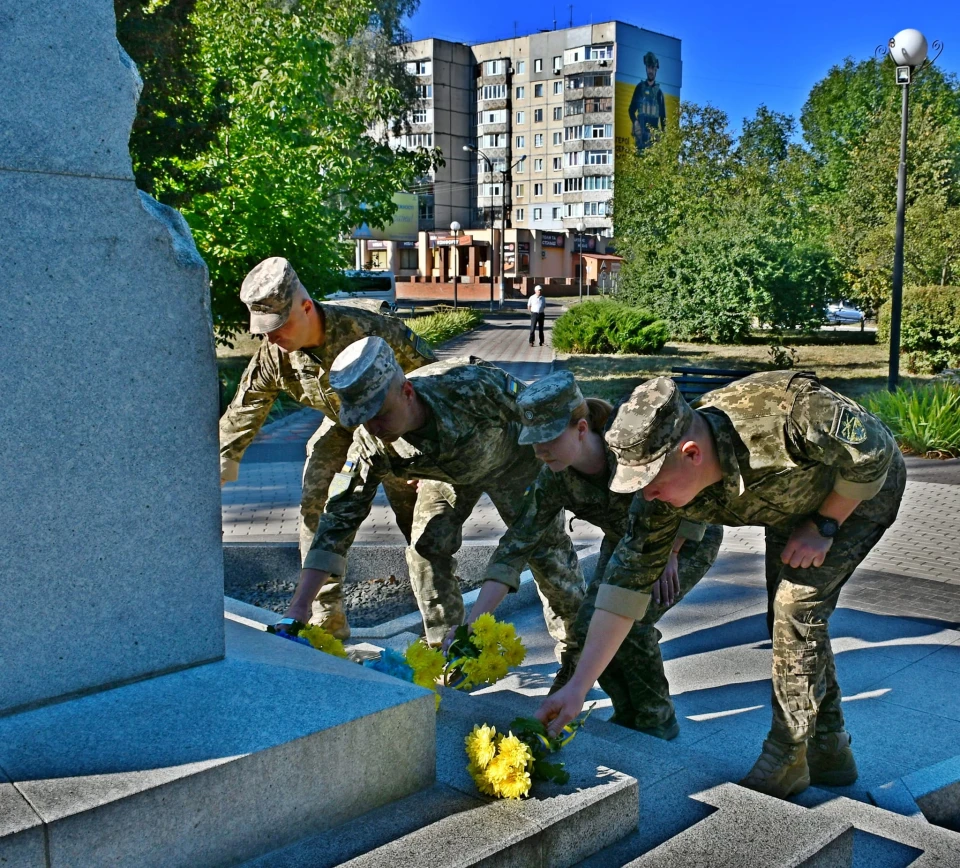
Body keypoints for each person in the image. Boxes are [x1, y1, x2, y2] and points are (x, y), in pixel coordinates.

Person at [536, 372, 906, 798]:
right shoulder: (661, 489)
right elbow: (625, 587)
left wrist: (826, 524)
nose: (648, 497)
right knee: (789, 626)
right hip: (790, 510)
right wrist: (577, 688)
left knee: (795, 611)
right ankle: (831, 747)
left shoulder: (788, 414)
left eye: (652, 485)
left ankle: (787, 754)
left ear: (690, 453)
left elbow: (872, 452)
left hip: (856, 496)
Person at [452, 371, 721, 734]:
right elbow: (517, 543)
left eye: (548, 438)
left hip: (685, 536)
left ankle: (657, 721)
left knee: (634, 621)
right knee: (587, 626)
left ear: (581, 428)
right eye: (533, 441)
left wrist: (672, 551)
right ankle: (627, 716)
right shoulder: (555, 477)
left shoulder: (626, 447)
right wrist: (473, 622)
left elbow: (687, 485)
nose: (538, 450)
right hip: (626, 541)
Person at [279, 337, 586, 653]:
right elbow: (337, 519)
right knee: (425, 550)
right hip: (448, 478)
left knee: (546, 551)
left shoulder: (472, 386)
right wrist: (299, 608)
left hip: (515, 464)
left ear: (407, 392)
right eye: (362, 418)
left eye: (379, 413)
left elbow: (541, 417)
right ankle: (451, 650)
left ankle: (577, 652)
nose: (373, 427)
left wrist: (568, 473)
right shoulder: (369, 444)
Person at [219, 257, 435, 639]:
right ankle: (325, 624)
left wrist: (429, 455)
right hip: (342, 425)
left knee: (418, 521)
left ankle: (443, 625)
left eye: (279, 326)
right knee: (315, 500)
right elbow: (242, 413)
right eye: (264, 330)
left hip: (397, 426)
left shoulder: (369, 328)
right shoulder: (275, 355)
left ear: (306, 308)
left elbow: (434, 382)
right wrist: (216, 476)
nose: (271, 338)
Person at [628, 51, 667, 152]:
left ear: (656, 69)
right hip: (640, 137)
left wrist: (663, 138)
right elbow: (631, 110)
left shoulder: (659, 93)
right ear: (646, 68)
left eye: (653, 68)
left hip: (653, 139)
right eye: (649, 67)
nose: (651, 71)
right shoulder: (640, 88)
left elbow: (663, 119)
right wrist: (635, 123)